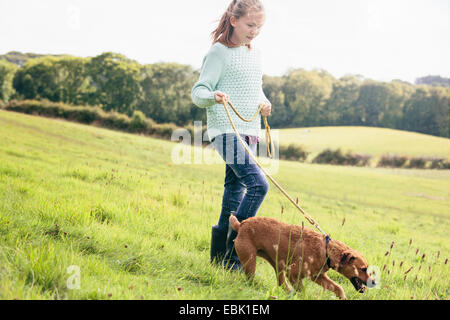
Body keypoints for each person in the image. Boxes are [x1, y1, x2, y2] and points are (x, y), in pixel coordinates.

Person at [191, 0, 271, 271]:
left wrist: (264, 102)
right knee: (259, 185)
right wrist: (213, 95)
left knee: (234, 192)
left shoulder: (255, 53)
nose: (255, 31)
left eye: (259, 26)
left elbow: (254, 88)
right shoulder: (218, 53)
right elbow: (198, 92)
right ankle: (236, 254)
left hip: (250, 132)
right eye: (250, 25)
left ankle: (218, 261)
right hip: (225, 131)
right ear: (234, 21)